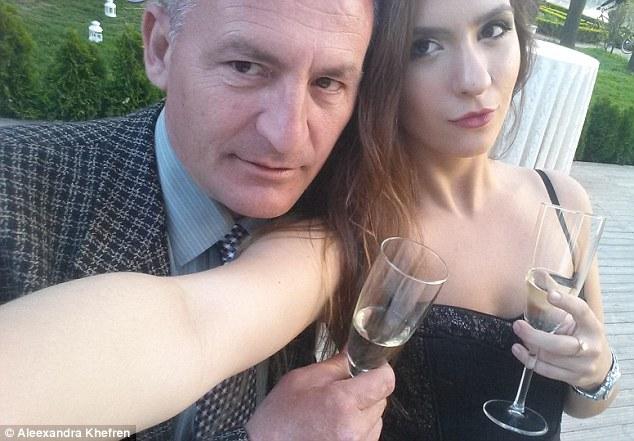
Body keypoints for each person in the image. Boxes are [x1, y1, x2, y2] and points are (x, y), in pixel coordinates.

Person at [0, 0, 396, 440]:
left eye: (326, 82)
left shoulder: (351, 210)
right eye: (246, 67)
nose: (287, 137)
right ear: (160, 47)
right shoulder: (15, 196)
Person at [341, 0, 619, 439]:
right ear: (381, 67)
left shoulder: (564, 201)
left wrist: (597, 369)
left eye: (493, 30)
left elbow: (584, 404)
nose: (475, 79)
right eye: (424, 46)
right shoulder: (357, 223)